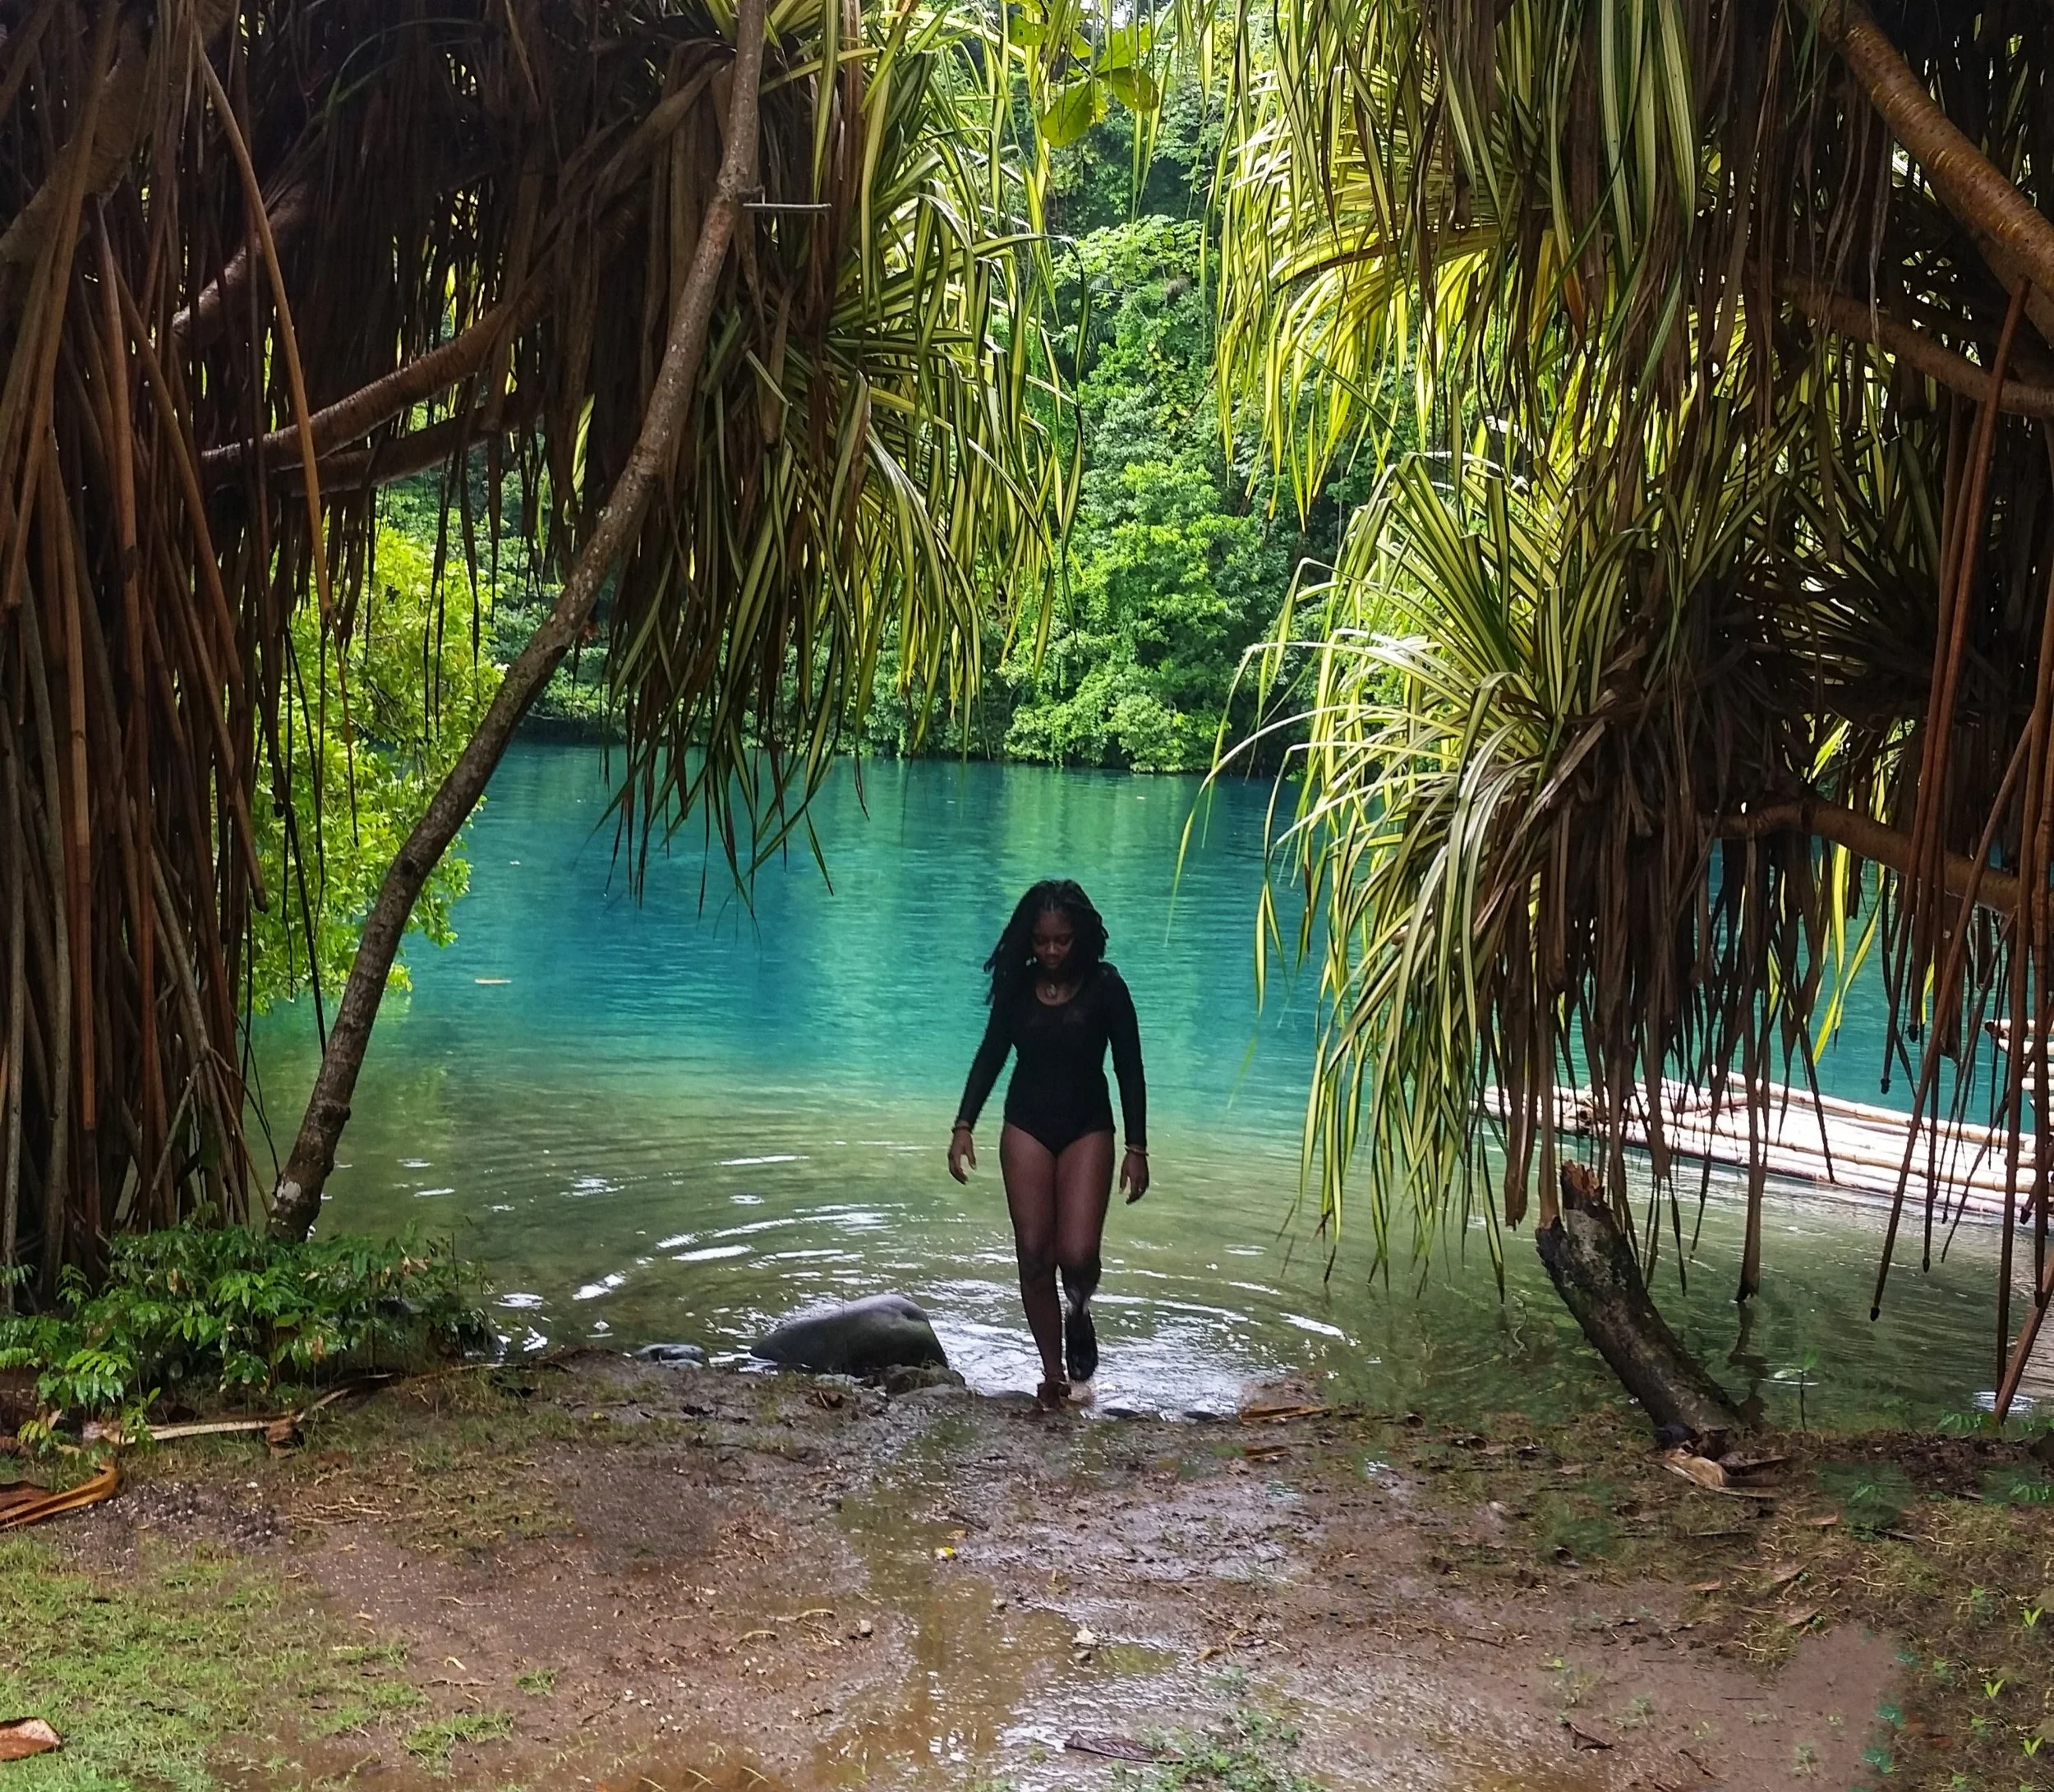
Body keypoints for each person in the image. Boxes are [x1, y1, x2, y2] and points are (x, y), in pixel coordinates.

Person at [949, 879, 1149, 1407]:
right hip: (1027, 1125)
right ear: (1029, 940)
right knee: (1035, 1256)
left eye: (1062, 941)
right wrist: (963, 1125)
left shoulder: (1107, 987)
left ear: (1080, 937)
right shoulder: (1017, 986)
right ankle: (1054, 1376)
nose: (1052, 951)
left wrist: (1137, 1148)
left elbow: (1129, 1066)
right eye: (1042, 941)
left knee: (1077, 1253)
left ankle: (1078, 1308)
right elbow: (991, 1053)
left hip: (1088, 1126)